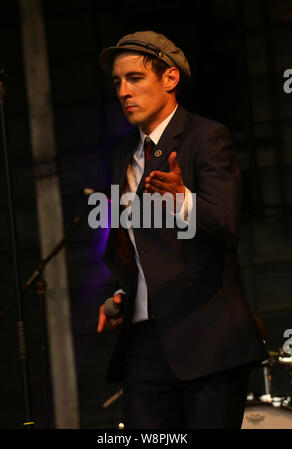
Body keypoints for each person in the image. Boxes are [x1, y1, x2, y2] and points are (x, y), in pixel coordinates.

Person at [96, 30, 268, 428]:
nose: (123, 91)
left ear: (169, 79)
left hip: (207, 339)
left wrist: (183, 199)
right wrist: (125, 292)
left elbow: (225, 225)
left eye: (134, 78)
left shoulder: (206, 138)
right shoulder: (122, 154)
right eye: (117, 82)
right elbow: (140, 245)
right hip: (144, 345)